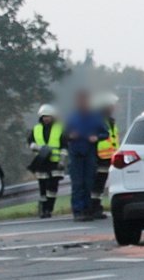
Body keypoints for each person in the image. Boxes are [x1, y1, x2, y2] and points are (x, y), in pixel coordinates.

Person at [64, 90, 110, 222]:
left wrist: (97, 137)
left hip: (90, 152)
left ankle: (87, 210)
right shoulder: (72, 116)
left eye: (84, 100)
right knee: (78, 184)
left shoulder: (95, 116)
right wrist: (70, 136)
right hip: (76, 153)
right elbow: (64, 135)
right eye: (80, 100)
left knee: (89, 183)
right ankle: (78, 211)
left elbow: (105, 133)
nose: (82, 103)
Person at [27, 104, 65, 219]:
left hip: (55, 162)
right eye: (44, 116)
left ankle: (49, 208)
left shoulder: (60, 128)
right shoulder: (36, 129)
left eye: (48, 116)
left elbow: (65, 146)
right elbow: (30, 142)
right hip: (41, 162)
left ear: (52, 117)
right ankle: (44, 209)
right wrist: (35, 147)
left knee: (52, 187)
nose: (46, 118)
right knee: (42, 187)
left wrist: (62, 161)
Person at [91, 92, 121, 220]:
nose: (113, 108)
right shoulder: (98, 121)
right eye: (110, 106)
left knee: (100, 185)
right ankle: (94, 208)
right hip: (99, 158)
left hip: (109, 158)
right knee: (97, 185)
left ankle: (96, 207)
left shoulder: (110, 121)